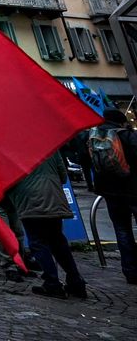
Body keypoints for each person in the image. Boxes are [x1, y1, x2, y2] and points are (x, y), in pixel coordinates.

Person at [9, 152, 86, 299]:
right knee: (58, 241)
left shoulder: (13, 149)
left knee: (38, 242)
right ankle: (76, 281)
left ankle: (52, 283)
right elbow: (63, 177)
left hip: (30, 201)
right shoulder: (51, 147)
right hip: (53, 198)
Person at [89, 108, 136, 285]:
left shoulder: (94, 137)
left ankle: (130, 271)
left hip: (109, 191)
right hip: (132, 188)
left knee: (122, 230)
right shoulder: (127, 136)